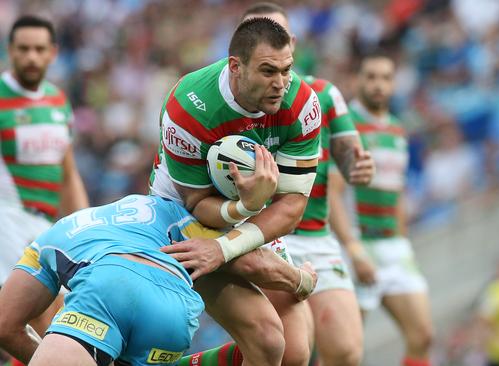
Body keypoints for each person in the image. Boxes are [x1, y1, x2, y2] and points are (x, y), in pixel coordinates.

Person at [150, 18, 322, 366]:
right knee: (268, 338)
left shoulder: (302, 106)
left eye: (286, 70)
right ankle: (296, 281)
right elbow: (198, 203)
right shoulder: (189, 106)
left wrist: (231, 236)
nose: (280, 84)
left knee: (294, 355)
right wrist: (242, 213)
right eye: (268, 71)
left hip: (249, 206)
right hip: (181, 210)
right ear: (235, 67)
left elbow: (291, 208)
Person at [0, 194, 316, 366]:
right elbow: (250, 262)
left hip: (105, 292)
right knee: (274, 343)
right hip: (170, 313)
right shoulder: (164, 210)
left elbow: (4, 325)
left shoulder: (48, 239)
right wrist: (300, 279)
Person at [240, 3, 375, 365]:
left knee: (346, 351)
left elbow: (349, 156)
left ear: (292, 43)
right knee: (289, 352)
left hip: (314, 233)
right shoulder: (228, 105)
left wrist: (357, 165)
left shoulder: (323, 95)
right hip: (261, 240)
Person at [329, 52, 435, 366]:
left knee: (423, 336)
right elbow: (333, 194)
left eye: (385, 78)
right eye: (371, 76)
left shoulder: (398, 132)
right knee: (343, 351)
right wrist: (353, 247)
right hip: (358, 245)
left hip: (394, 247)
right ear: (357, 80)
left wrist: (403, 240)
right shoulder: (347, 128)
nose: (378, 85)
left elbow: (397, 191)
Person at [0, 17, 89, 365]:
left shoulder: (57, 102)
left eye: (39, 49)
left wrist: (83, 228)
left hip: (42, 225)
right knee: (41, 320)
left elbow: (67, 175)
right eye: (23, 49)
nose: (31, 57)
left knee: (59, 319)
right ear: (10, 52)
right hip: (5, 219)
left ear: (53, 53)